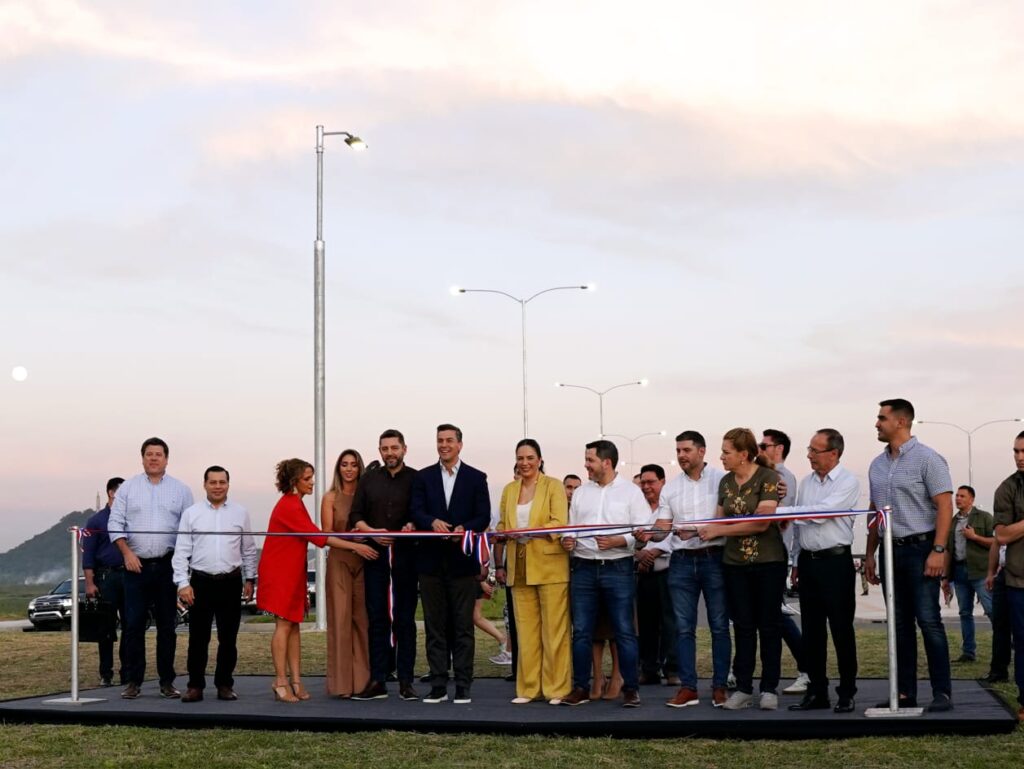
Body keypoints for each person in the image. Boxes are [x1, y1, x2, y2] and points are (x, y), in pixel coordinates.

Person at [257, 458, 377, 702]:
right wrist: (356, 548)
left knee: (293, 626)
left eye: (311, 477)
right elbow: (320, 538)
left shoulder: (296, 503)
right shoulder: (288, 505)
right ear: (294, 481)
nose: (312, 483)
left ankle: (296, 681)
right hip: (280, 572)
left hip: (293, 571)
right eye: (307, 479)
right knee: (283, 626)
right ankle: (280, 680)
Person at [865, 398, 954, 712]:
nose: (876, 423)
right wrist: (870, 554)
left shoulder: (928, 459)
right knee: (898, 625)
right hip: (890, 550)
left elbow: (945, 506)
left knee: (928, 621)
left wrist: (938, 550)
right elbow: (876, 514)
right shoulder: (877, 465)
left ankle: (942, 692)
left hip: (922, 549)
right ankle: (904, 693)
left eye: (881, 418)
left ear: (901, 421)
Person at [640, 430, 730, 709]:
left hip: (715, 558)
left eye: (686, 450)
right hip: (680, 562)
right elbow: (663, 528)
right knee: (682, 629)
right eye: (678, 451)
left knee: (718, 626)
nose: (681, 456)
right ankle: (688, 688)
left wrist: (700, 531)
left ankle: (719, 687)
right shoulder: (672, 488)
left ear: (702, 451)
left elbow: (726, 520)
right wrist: (647, 534)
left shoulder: (721, 480)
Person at [696, 428, 784, 711]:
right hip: (734, 565)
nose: (721, 457)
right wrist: (704, 530)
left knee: (769, 626)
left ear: (743, 455)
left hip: (769, 562)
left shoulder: (769, 478)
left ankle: (769, 688)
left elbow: (762, 522)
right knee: (743, 627)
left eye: (726, 452)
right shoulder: (725, 482)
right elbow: (717, 521)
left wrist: (719, 529)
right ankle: (744, 688)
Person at [560, 440, 651, 708]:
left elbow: (643, 530)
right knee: (582, 632)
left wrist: (619, 541)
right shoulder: (581, 493)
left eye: (590, 460)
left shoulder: (631, 493)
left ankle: (631, 689)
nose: (586, 465)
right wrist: (568, 539)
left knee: (624, 631)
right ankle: (580, 688)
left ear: (606, 462)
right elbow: (571, 527)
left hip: (618, 568)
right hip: (584, 568)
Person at [108, 437, 194, 700]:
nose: (154, 458)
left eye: (159, 454)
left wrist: (183, 568)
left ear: (167, 459)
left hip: (167, 565)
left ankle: (167, 681)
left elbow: (188, 529)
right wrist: (126, 553)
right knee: (133, 626)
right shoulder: (128, 489)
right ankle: (133, 681)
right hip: (135, 567)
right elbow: (115, 523)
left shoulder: (181, 490)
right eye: (149, 454)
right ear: (142, 458)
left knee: (167, 627)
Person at [411, 424, 491, 705]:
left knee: (462, 628)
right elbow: (416, 510)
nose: (443, 445)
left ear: (460, 444)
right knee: (434, 627)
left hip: (462, 564)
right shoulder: (423, 477)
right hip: (430, 565)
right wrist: (430, 521)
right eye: (439, 440)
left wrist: (462, 528)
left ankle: (464, 685)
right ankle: (437, 685)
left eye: (449, 440)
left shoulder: (476, 478)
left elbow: (483, 516)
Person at [782, 429, 861, 714]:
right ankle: (817, 692)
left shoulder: (848, 481)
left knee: (841, 629)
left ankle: (847, 692)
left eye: (815, 451)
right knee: (813, 631)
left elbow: (821, 512)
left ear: (834, 453)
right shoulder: (806, 482)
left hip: (836, 563)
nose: (809, 455)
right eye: (809, 449)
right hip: (808, 562)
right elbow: (802, 524)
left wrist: (784, 512)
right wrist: (795, 562)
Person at [494, 438, 571, 705]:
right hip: (519, 566)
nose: (524, 463)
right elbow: (504, 523)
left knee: (554, 631)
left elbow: (559, 522)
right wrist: (499, 534)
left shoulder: (554, 486)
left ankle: (557, 688)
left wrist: (530, 532)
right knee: (525, 632)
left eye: (529, 458)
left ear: (539, 460)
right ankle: (528, 688)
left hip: (550, 566)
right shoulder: (509, 490)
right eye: (520, 458)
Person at [172, 466, 257, 702]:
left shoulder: (240, 513)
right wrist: (182, 583)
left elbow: (248, 549)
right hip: (200, 582)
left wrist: (250, 579)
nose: (218, 486)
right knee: (198, 639)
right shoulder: (191, 514)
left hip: (230, 582)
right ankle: (195, 686)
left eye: (222, 482)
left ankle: (224, 685)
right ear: (205, 484)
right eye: (213, 482)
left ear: (228, 484)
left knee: (228, 639)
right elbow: (181, 552)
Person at [349, 429, 420, 701]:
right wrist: (371, 530)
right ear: (379, 451)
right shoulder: (368, 480)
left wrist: (412, 525)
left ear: (404, 448)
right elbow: (356, 514)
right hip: (375, 557)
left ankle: (406, 681)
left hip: (406, 558)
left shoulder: (416, 478)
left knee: (405, 620)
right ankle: (378, 680)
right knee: (377, 618)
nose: (389, 453)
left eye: (394, 447)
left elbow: (420, 512)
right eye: (385, 448)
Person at [759, 429, 809, 696]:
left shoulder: (782, 477)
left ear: (778, 448)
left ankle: (807, 669)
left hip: (773, 556)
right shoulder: (766, 473)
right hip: (763, 556)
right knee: (766, 617)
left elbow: (779, 520)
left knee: (776, 617)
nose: (758, 448)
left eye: (763, 445)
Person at [321, 449, 373, 698]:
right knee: (340, 622)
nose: (349, 469)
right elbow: (326, 536)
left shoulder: (365, 496)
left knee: (362, 622)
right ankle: (341, 685)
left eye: (354, 464)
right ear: (338, 468)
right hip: (340, 562)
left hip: (365, 563)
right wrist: (355, 544)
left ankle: (362, 683)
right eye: (344, 464)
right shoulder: (330, 497)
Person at [634, 464, 679, 687]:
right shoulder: (637, 506)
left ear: (662, 481)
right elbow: (630, 535)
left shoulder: (670, 503)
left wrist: (655, 550)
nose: (646, 486)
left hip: (667, 569)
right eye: (643, 482)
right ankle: (649, 669)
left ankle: (672, 669)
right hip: (643, 572)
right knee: (646, 623)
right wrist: (640, 553)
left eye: (651, 482)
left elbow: (674, 531)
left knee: (671, 622)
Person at [941, 485, 995, 663]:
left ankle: (1005, 645)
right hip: (959, 572)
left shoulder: (984, 517)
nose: (958, 499)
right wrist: (946, 578)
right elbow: (948, 551)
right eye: (957, 496)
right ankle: (968, 652)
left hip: (980, 571)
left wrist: (975, 537)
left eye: (962, 496)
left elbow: (996, 542)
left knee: (991, 610)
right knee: (965, 612)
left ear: (971, 499)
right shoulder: (952, 522)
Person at [82, 476, 126, 687]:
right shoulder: (96, 521)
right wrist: (90, 583)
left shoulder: (132, 518)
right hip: (106, 576)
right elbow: (88, 555)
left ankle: (128, 672)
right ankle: (106, 673)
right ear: (111, 493)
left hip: (130, 575)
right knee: (106, 627)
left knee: (132, 625)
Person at [993, 430, 1024, 722]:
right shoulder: (1007, 488)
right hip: (1019, 581)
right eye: (1016, 451)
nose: (1019, 457)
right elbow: (1001, 535)